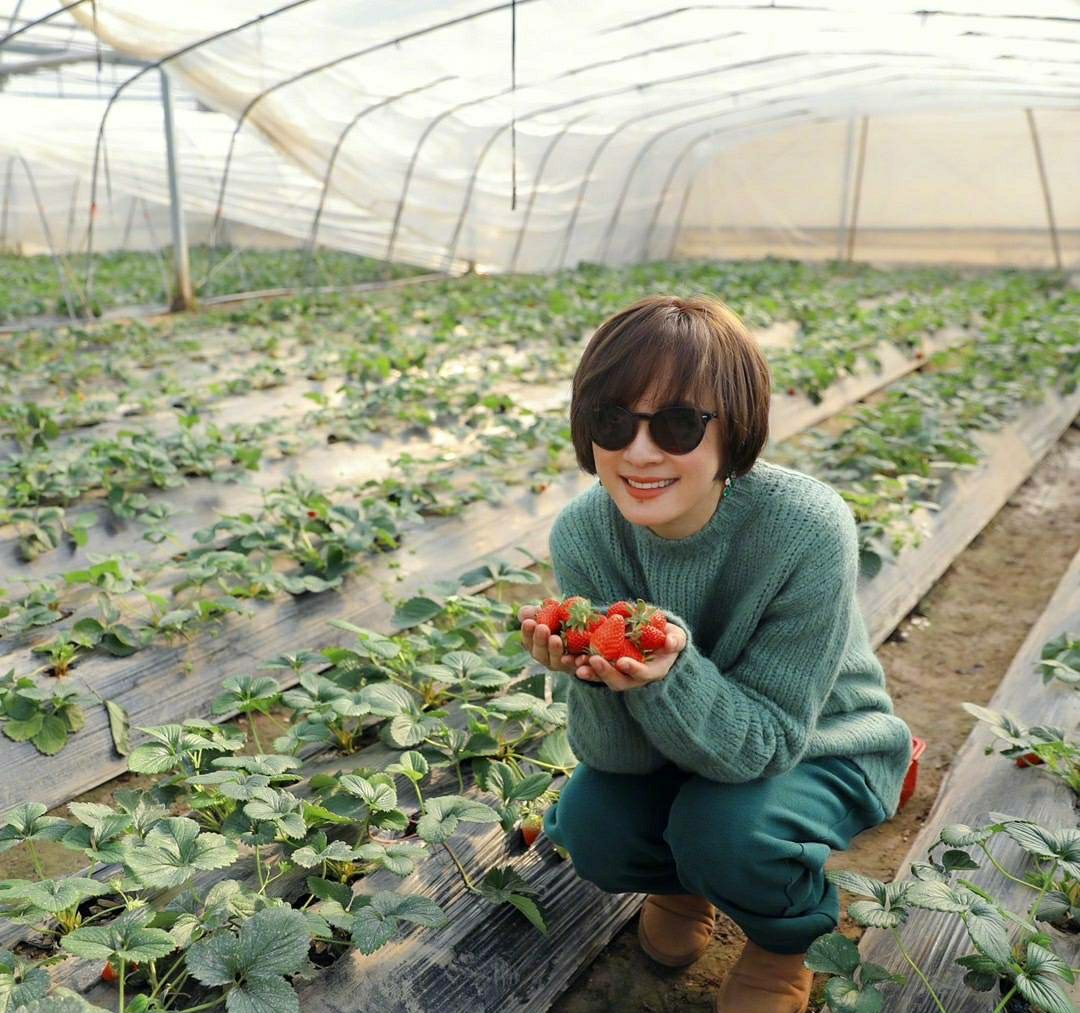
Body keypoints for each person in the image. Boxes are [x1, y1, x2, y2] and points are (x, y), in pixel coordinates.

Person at [518, 294, 912, 1013]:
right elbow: (620, 761)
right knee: (591, 825)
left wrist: (672, 665)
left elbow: (768, 741)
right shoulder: (585, 532)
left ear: (735, 431)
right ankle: (681, 886)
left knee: (726, 830)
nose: (639, 452)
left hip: (819, 745)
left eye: (676, 423)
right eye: (614, 421)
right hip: (677, 747)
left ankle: (783, 939)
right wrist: (600, 677)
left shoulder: (805, 527)